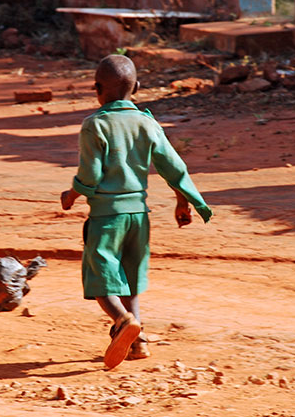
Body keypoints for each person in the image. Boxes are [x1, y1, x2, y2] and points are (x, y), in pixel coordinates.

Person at [60, 55, 212, 369]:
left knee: (102, 281)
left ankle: (123, 321)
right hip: (139, 217)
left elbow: (90, 176)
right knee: (130, 280)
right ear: (138, 88)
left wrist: (71, 195)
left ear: (97, 89)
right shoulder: (147, 122)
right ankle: (138, 341)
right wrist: (182, 201)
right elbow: (174, 167)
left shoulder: (95, 125)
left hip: (107, 217)